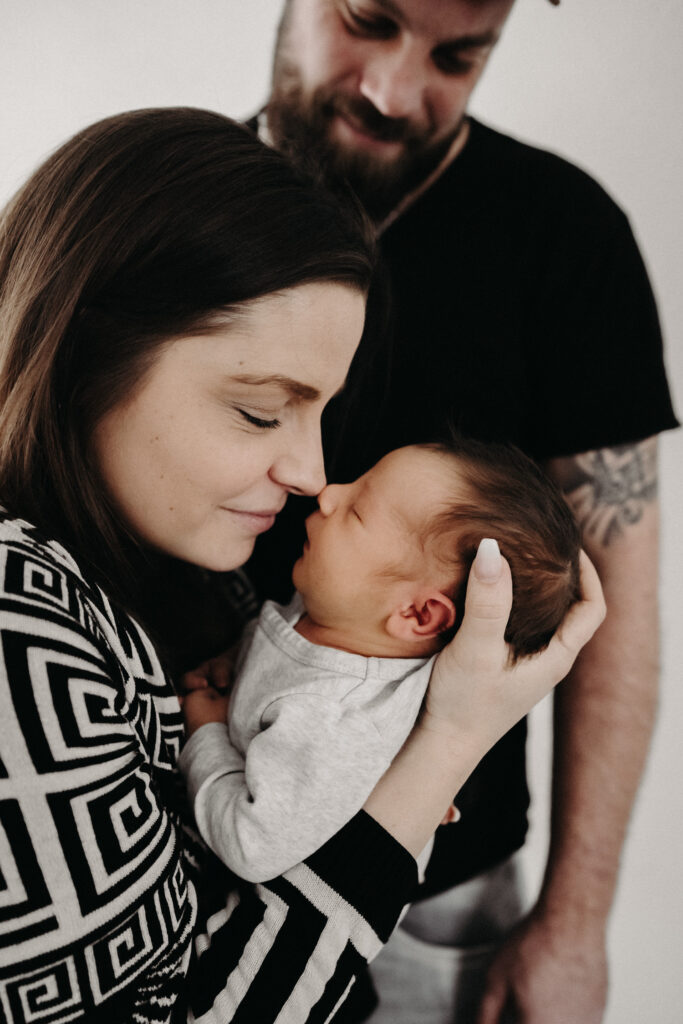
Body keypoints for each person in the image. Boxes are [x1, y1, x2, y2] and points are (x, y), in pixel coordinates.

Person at [0, 106, 605, 1024]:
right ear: (86, 355)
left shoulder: (196, 577)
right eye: (258, 411)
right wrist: (439, 754)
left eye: (319, 411)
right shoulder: (17, 628)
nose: (311, 474)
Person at [242, 1, 680, 1021]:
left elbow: (613, 616)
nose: (393, 91)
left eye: (456, 54)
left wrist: (573, 920)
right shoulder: (176, 203)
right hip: (184, 850)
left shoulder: (562, 237)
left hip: (433, 906)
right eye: (367, 19)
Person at [179, 438, 580, 888]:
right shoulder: (340, 615)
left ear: (416, 614)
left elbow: (252, 846)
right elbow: (284, 649)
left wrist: (206, 735)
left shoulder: (337, 721)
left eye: (356, 512)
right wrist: (238, 660)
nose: (328, 493)